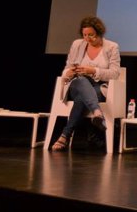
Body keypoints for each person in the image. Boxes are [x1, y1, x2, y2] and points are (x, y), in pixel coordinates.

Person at [50, 16, 121, 151]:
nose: (88, 38)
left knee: (81, 99)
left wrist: (93, 70)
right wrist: (69, 73)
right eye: (85, 35)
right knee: (81, 81)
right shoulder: (77, 44)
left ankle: (65, 135)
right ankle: (97, 112)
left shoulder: (112, 47)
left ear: (99, 33)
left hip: (99, 87)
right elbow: (66, 69)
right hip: (77, 84)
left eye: (91, 35)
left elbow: (115, 73)